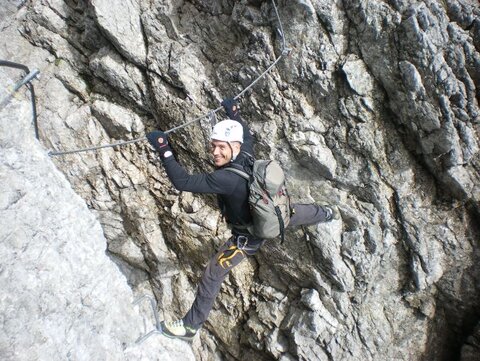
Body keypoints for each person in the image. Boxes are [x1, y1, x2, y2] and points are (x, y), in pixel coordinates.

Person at [147, 98, 334, 341]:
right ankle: (326, 213)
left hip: (247, 237)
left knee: (212, 275)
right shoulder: (245, 153)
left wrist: (164, 148)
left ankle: (190, 326)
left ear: (232, 146)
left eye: (221, 147)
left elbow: (182, 182)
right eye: (213, 146)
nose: (215, 152)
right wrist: (233, 112)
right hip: (272, 211)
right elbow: (246, 135)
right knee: (290, 213)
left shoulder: (225, 179)